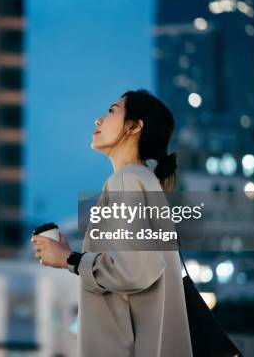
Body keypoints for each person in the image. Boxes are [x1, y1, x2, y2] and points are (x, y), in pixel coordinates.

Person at [31, 89, 193, 356]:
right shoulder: (144, 182)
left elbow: (133, 270)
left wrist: (69, 260)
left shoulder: (125, 181)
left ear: (134, 126)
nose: (98, 120)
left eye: (111, 111)